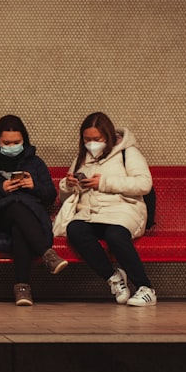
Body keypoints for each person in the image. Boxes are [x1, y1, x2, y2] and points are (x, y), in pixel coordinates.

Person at [58, 111, 156, 306]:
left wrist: (104, 183)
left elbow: (144, 184)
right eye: (87, 139)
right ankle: (113, 277)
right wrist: (69, 184)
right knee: (75, 229)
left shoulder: (128, 152)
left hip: (124, 209)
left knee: (115, 235)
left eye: (97, 139)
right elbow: (65, 197)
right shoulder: (82, 157)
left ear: (108, 136)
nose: (91, 143)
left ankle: (146, 288)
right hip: (92, 212)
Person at [0, 114, 67, 306]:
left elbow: (49, 197)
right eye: (7, 142)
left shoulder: (35, 163)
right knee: (13, 206)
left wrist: (33, 186)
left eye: (16, 142)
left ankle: (22, 289)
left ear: (24, 141)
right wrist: (1, 189)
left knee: (19, 228)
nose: (11, 146)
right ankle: (47, 254)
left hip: (33, 217)